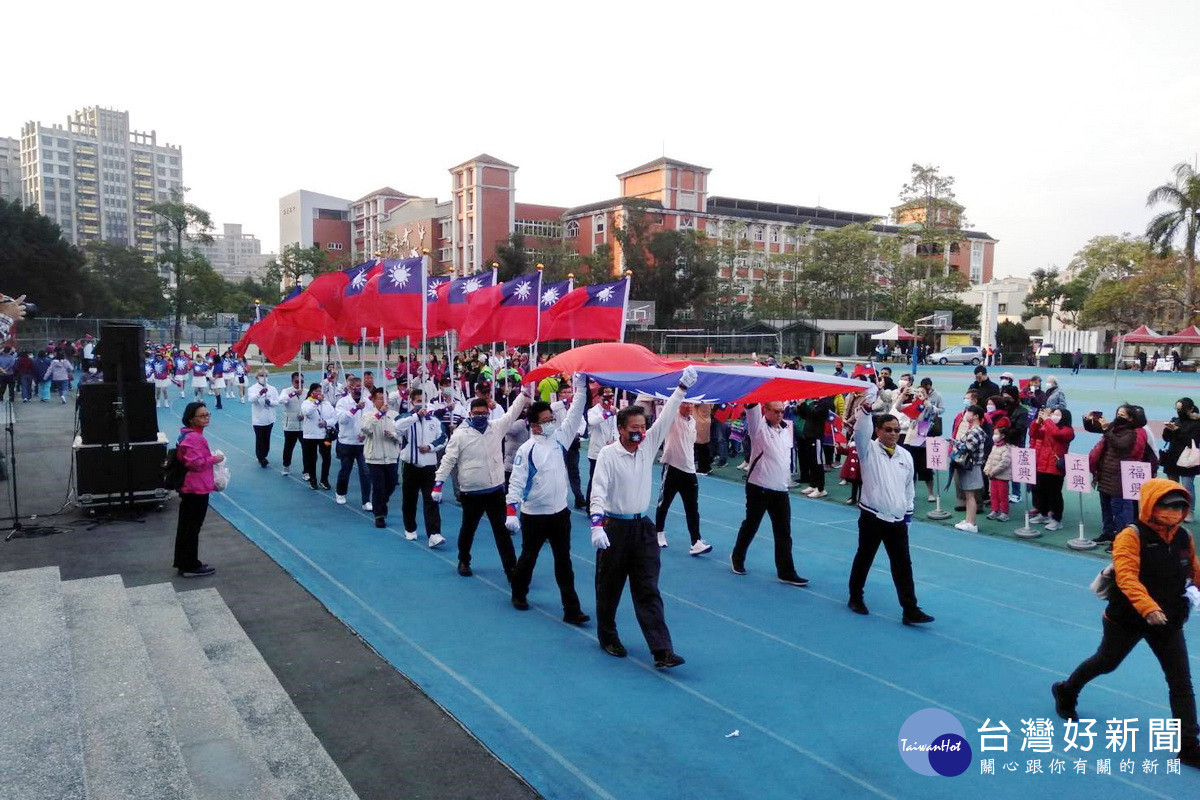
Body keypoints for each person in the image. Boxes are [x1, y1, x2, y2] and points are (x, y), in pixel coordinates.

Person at [1051, 479, 1200, 769]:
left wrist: (1190, 594)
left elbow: (1193, 569)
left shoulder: (1183, 537)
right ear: (1149, 505)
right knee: (1106, 662)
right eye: (1166, 506)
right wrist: (1148, 608)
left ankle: (1189, 746)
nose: (1173, 512)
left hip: (1168, 620)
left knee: (1181, 681)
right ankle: (1067, 690)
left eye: (1180, 506)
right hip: (1127, 618)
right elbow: (1127, 577)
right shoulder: (1131, 536)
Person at [590, 366, 697, 667]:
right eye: (633, 427)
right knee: (609, 587)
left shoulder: (648, 445)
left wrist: (681, 389)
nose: (640, 431)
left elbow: (665, 420)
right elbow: (598, 490)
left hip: (643, 529)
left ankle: (661, 650)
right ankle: (608, 635)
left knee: (648, 588)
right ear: (621, 429)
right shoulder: (609, 455)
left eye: (643, 426)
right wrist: (597, 525)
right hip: (614, 528)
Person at [506, 377, 589, 622]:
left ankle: (571, 609)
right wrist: (511, 510)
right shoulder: (526, 450)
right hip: (534, 515)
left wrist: (582, 388)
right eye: (546, 421)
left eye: (551, 419)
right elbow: (517, 481)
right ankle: (519, 592)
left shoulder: (560, 440)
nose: (551, 423)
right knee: (529, 558)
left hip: (560, 513)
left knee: (564, 562)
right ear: (534, 426)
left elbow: (574, 415)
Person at [848, 404, 934, 623]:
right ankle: (855, 597)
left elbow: (909, 489)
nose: (893, 433)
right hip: (872, 517)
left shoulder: (906, 456)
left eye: (896, 429)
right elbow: (859, 431)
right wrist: (866, 412)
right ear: (877, 431)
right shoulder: (867, 450)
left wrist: (907, 517)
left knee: (903, 565)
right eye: (888, 429)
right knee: (865, 558)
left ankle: (910, 609)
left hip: (897, 521)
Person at [433, 389, 530, 579]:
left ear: (489, 412)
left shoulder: (496, 427)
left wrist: (524, 394)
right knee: (468, 529)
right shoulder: (460, 435)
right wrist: (438, 483)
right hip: (471, 491)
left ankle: (511, 568)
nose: (480, 417)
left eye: (484, 413)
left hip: (495, 490)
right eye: (477, 413)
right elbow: (448, 460)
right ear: (470, 414)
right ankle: (464, 559)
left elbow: (512, 413)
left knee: (502, 531)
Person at [730, 400, 810, 586]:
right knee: (751, 524)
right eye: (775, 411)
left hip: (780, 489)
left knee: (783, 532)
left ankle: (786, 571)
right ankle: (737, 556)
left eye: (782, 411)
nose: (780, 414)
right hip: (759, 486)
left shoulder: (785, 429)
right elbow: (751, 408)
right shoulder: (758, 428)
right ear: (765, 410)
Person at [653, 398, 712, 555]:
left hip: (689, 471)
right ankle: (658, 532)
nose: (689, 406)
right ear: (679, 404)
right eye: (685, 403)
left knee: (692, 508)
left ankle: (696, 541)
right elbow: (670, 405)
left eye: (691, 403)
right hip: (672, 467)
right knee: (664, 503)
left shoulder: (692, 421)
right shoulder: (672, 417)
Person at [173, 402, 224, 578]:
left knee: (187, 527)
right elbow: (195, 463)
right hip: (195, 488)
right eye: (202, 415)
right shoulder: (194, 437)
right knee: (192, 527)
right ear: (191, 419)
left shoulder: (187, 435)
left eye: (207, 414)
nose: (206, 417)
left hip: (193, 487)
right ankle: (189, 565)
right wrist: (214, 459)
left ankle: (185, 562)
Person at [1087, 405, 1148, 543]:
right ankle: (1108, 533)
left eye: (1122, 415)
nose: (1119, 417)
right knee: (1106, 507)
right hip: (1105, 474)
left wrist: (1107, 430)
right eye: (1118, 413)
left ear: (1131, 418)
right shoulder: (1114, 427)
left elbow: (1120, 445)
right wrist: (1090, 420)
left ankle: (1122, 540)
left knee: (1120, 511)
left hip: (1119, 476)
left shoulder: (1131, 433)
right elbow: (1094, 429)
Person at [395, 387, 447, 547]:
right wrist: (416, 416)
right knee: (409, 499)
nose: (421, 404)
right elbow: (397, 427)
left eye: (423, 400)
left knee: (431, 499)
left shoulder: (434, 420)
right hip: (410, 465)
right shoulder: (406, 417)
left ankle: (434, 533)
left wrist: (431, 447)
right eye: (418, 401)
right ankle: (410, 528)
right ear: (412, 402)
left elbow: (443, 438)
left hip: (429, 467)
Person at [1028, 407, 1075, 531]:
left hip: (1055, 466)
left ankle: (1056, 519)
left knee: (1054, 493)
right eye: (1053, 413)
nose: (1054, 416)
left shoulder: (1067, 431)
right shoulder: (1048, 427)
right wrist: (1037, 422)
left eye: (1057, 414)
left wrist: (1047, 420)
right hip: (1042, 464)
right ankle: (1043, 514)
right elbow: (1033, 433)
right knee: (1040, 490)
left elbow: (1056, 434)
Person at [361, 387, 401, 529]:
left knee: (391, 484)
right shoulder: (368, 415)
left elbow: (402, 434)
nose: (384, 401)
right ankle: (379, 515)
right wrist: (378, 416)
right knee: (378, 486)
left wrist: (393, 436)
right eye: (380, 399)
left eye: (385, 399)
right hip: (375, 457)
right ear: (373, 400)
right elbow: (366, 429)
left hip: (391, 456)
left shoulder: (394, 415)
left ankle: (382, 503)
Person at [334, 375, 372, 510]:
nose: (359, 390)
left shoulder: (367, 402)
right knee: (346, 469)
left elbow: (371, 420)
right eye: (356, 387)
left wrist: (365, 433)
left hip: (363, 443)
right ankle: (340, 492)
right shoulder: (342, 402)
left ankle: (366, 500)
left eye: (361, 387)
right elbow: (342, 420)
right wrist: (355, 408)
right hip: (347, 442)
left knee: (366, 471)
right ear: (350, 388)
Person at [551, 381, 589, 509]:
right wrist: (564, 403)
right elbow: (551, 408)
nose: (567, 395)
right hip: (558, 444)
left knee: (574, 471)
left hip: (572, 443)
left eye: (569, 392)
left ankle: (579, 498)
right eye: (564, 393)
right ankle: (556, 496)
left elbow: (582, 422)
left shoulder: (574, 408)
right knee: (558, 471)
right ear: (559, 395)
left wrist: (577, 433)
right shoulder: (556, 407)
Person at [1162, 398, 1200, 522]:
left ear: (1190, 409)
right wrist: (1168, 429)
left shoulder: (1196, 424)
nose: (1179, 412)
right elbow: (1166, 438)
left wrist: (1178, 431)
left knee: (1188, 486)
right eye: (1177, 409)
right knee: (1172, 486)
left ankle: (1190, 511)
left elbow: (1191, 442)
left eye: (1181, 409)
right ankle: (1174, 508)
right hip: (1173, 457)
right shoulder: (1176, 420)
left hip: (1188, 459)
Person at [951, 405, 988, 533]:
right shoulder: (972, 429)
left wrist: (956, 444)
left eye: (968, 412)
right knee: (968, 495)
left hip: (971, 466)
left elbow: (966, 447)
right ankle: (968, 520)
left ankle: (972, 523)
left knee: (970, 495)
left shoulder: (976, 431)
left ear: (976, 415)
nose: (966, 414)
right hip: (968, 466)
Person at [585, 386, 619, 502]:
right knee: (595, 480)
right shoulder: (593, 411)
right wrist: (607, 414)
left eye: (611, 396)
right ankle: (590, 505)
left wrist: (615, 440)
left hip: (611, 450)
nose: (608, 399)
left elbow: (615, 428)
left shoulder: (614, 410)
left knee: (609, 480)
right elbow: (592, 422)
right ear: (599, 397)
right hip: (596, 452)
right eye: (606, 396)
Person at [300, 383, 335, 490]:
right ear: (311, 392)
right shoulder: (306, 403)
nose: (319, 393)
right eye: (316, 391)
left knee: (326, 458)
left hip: (324, 436)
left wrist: (326, 422)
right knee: (311, 459)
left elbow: (334, 418)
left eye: (320, 391)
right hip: (310, 436)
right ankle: (313, 479)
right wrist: (316, 402)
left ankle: (324, 480)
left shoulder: (327, 404)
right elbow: (307, 412)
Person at [983, 418, 1014, 522]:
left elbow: (1004, 463)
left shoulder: (1007, 448)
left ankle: (1004, 512)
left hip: (1002, 477)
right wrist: (987, 469)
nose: (994, 436)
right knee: (993, 494)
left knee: (1003, 495)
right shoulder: (994, 447)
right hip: (992, 476)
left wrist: (993, 471)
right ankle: (994, 510)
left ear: (1003, 436)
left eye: (996, 434)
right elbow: (989, 459)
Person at [249, 368, 278, 468]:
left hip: (269, 418)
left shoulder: (272, 389)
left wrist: (270, 402)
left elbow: (277, 402)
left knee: (267, 438)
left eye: (266, 376)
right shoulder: (253, 388)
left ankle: (264, 454)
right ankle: (260, 457)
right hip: (258, 419)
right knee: (260, 438)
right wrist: (260, 393)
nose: (264, 378)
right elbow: (251, 399)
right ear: (257, 377)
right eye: (262, 376)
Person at [278, 372, 304, 476]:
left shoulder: (306, 392)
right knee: (288, 447)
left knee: (307, 449)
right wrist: (293, 394)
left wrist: (305, 415)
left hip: (304, 426)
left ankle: (306, 470)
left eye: (302, 382)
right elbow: (281, 400)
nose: (299, 384)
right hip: (290, 426)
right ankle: (286, 465)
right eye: (297, 381)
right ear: (292, 381)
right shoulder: (286, 391)